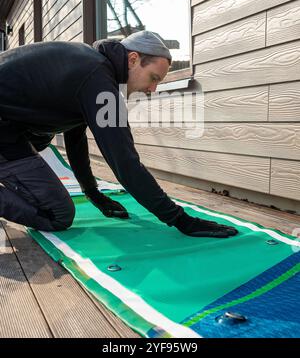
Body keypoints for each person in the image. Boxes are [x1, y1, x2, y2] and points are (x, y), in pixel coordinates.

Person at [0, 30, 238, 238]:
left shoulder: (88, 66)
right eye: (153, 78)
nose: (152, 90)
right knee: (58, 215)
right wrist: (181, 220)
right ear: (133, 59)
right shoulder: (98, 79)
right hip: (5, 132)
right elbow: (124, 161)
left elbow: (76, 137)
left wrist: (93, 193)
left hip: (9, 128)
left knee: (41, 138)